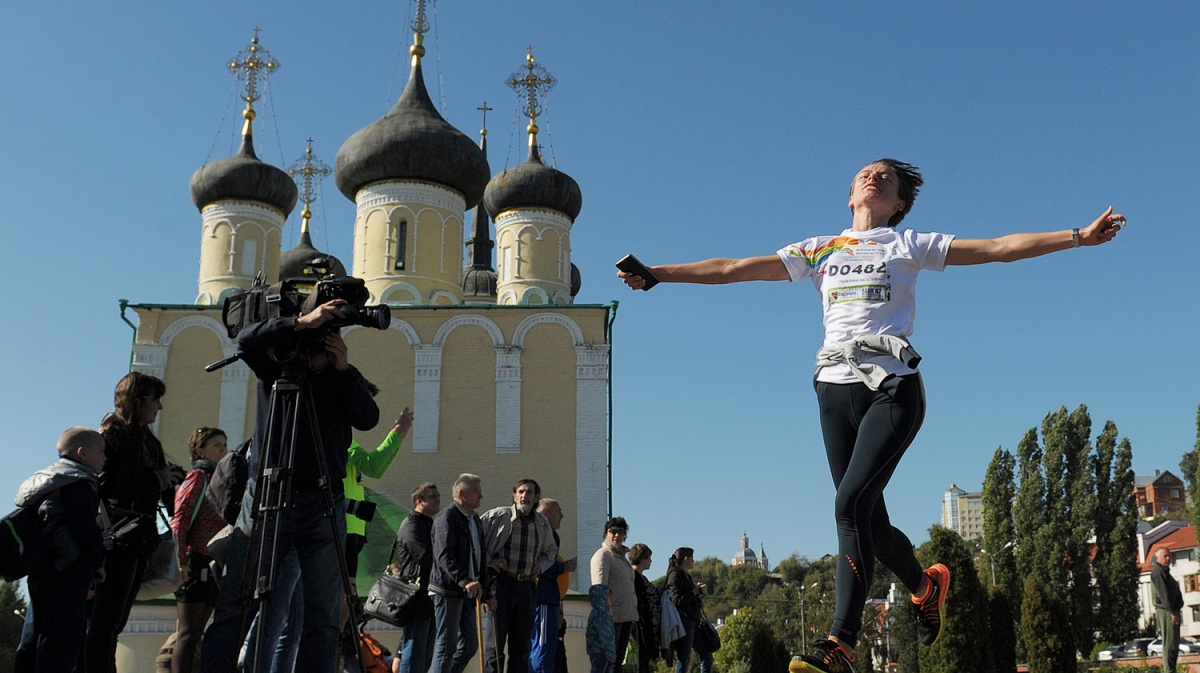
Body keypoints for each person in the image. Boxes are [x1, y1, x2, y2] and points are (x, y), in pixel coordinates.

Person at [619, 158, 1126, 673]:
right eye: (866, 172)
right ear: (849, 195)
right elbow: (734, 268)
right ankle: (926, 586)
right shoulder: (821, 247)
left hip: (892, 389)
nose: (873, 176)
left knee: (847, 506)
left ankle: (840, 643)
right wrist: (657, 274)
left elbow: (997, 249)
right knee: (869, 518)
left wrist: (1079, 237)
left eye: (888, 177)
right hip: (833, 389)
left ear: (900, 203)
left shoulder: (908, 245)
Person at [226, 299, 381, 672]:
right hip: (274, 494)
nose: (328, 340)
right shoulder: (278, 364)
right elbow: (246, 341)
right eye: (324, 332)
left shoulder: (341, 377)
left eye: (334, 333)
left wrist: (344, 371)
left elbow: (368, 418)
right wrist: (297, 323)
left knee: (322, 614)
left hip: (323, 501)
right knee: (255, 606)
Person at [86, 372, 185, 673]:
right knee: (105, 619)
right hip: (118, 537)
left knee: (115, 619)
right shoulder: (111, 436)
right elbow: (106, 486)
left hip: (140, 539)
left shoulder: (148, 442)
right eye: (155, 400)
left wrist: (172, 483)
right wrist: (158, 479)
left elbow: (156, 486)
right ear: (137, 400)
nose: (160, 407)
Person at [13, 427, 108, 673]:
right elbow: (85, 530)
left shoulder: (46, 483)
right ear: (83, 453)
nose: (104, 457)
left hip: (41, 568)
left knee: (34, 634)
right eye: (101, 451)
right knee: (62, 639)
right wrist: (97, 563)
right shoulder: (78, 483)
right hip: (69, 571)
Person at [480, 478, 559, 673]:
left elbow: (551, 551)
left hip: (527, 587)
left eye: (529, 492)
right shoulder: (496, 516)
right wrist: (489, 561)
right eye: (521, 491)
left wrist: (540, 566)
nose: (525, 495)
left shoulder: (542, 524)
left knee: (521, 647)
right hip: (501, 584)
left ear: (536, 497)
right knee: (495, 645)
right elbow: (475, 543)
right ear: (514, 495)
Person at [168, 427, 228, 673]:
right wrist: (181, 561)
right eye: (217, 446)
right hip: (194, 561)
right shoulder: (198, 477)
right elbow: (180, 520)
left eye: (225, 445)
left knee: (200, 631)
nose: (224, 451)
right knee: (189, 633)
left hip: (212, 561)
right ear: (200, 449)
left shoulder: (220, 480)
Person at [345, 406, 414, 581]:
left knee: (342, 589)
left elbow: (375, 470)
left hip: (350, 526)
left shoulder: (337, 440)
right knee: (345, 590)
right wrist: (397, 434)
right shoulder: (340, 441)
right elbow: (373, 466)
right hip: (346, 527)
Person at [429, 473, 487, 673]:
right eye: (476, 492)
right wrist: (464, 580)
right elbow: (444, 555)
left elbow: (480, 556)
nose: (481, 496)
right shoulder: (448, 517)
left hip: (468, 592)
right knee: (446, 645)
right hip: (448, 590)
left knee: (470, 644)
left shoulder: (474, 519)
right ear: (461, 493)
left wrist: (485, 592)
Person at [392, 482, 442, 673]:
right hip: (416, 598)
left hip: (429, 598)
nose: (438, 500)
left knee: (425, 654)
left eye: (438, 496)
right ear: (418, 501)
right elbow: (424, 555)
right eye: (433, 497)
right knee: (414, 652)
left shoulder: (429, 524)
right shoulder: (412, 524)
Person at [530, 498, 577, 673]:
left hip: (550, 600)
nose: (562, 516)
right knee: (542, 649)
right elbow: (540, 565)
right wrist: (563, 567)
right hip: (543, 599)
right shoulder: (543, 534)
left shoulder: (546, 534)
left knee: (546, 649)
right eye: (559, 511)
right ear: (545, 513)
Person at [590, 517, 636, 673]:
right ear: (605, 534)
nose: (617, 535)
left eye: (621, 532)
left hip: (626, 616)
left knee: (616, 664)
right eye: (613, 531)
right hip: (610, 618)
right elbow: (599, 588)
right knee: (606, 663)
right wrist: (604, 616)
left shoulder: (623, 558)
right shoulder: (603, 556)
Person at [665, 548, 711, 673]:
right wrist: (695, 591)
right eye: (692, 558)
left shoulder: (686, 576)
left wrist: (699, 592)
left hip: (693, 621)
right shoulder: (675, 575)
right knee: (684, 658)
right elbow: (677, 600)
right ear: (686, 559)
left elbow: (688, 597)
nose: (694, 561)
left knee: (706, 655)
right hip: (684, 621)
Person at [627, 544, 661, 673]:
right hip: (641, 628)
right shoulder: (634, 578)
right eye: (649, 558)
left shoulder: (641, 577)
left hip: (646, 628)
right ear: (642, 558)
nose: (651, 561)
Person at [1152, 546, 1184, 673]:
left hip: (1172, 611)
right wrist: (1171, 612)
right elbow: (1164, 594)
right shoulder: (1158, 572)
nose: (1168, 558)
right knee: (1169, 644)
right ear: (1157, 557)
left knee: (1174, 644)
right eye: (1165, 556)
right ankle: (1169, 670)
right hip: (1166, 612)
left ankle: (1172, 669)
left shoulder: (1166, 572)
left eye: (1169, 556)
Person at [585, 585, 615, 673]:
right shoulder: (602, 615)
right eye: (608, 598)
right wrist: (611, 655)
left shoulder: (594, 613)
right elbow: (606, 637)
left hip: (595, 651)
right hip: (602, 652)